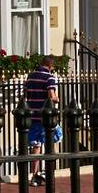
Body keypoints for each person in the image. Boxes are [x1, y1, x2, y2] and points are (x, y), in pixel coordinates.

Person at [24, 56, 62, 185]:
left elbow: (26, 94)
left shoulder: (30, 76)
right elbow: (51, 96)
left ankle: (34, 175)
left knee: (36, 146)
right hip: (45, 116)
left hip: (32, 115)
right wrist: (57, 99)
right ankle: (48, 170)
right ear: (51, 66)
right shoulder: (49, 78)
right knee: (55, 138)